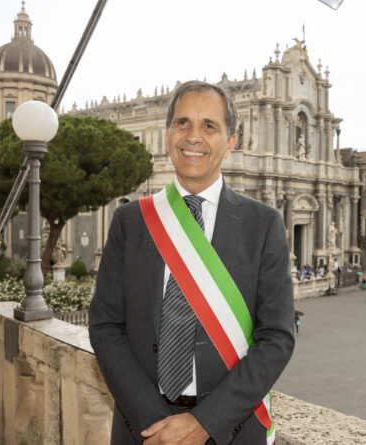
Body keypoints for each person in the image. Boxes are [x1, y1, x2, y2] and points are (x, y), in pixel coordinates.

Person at [88, 81, 295, 445]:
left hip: (231, 429)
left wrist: (204, 422)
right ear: (168, 135)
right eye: (182, 123)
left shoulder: (264, 225)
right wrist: (155, 421)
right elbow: (105, 327)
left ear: (230, 142)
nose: (193, 137)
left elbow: (277, 337)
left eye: (209, 126)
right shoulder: (131, 221)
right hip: (143, 430)